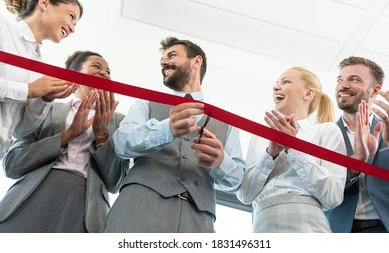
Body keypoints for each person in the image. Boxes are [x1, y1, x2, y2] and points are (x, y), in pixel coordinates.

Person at [103, 37, 245, 233]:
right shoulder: (146, 103)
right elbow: (121, 143)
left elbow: (237, 181)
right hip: (138, 209)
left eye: (171, 55)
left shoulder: (227, 123)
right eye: (162, 58)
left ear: (197, 61)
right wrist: (166, 130)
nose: (162, 62)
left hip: (198, 222)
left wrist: (221, 162)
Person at [0, 51, 129, 232]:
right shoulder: (44, 108)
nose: (104, 73)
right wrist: (67, 135)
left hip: (86, 207)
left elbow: (116, 182)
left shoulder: (121, 122)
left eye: (108, 71)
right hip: (31, 195)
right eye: (96, 66)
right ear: (74, 73)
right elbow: (12, 164)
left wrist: (101, 136)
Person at [237, 66, 348, 233]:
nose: (275, 87)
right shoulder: (259, 138)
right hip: (262, 225)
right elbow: (245, 195)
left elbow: (333, 196)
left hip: (307, 226)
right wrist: (270, 154)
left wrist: (293, 148)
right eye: (276, 83)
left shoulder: (326, 131)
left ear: (308, 94)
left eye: (286, 81)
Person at [0, 0, 83, 159]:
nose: (73, 29)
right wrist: (29, 90)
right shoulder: (2, 29)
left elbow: (20, 130)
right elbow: (28, 90)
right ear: (44, 3)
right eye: (71, 16)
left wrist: (46, 98)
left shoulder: (41, 70)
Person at [325, 56, 388, 233]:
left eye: (354, 79)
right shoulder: (323, 136)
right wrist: (355, 164)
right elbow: (320, 188)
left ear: (375, 91)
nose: (343, 85)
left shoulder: (387, 130)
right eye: (340, 79)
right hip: (336, 230)